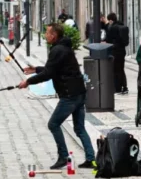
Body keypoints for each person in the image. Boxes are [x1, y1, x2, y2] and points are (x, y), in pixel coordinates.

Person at [18, 23, 96, 170]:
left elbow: (48, 74)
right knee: (79, 128)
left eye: (47, 33)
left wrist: (28, 82)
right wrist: (36, 69)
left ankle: (64, 157)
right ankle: (91, 159)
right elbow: (55, 68)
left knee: (53, 124)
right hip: (79, 92)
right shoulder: (64, 47)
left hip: (69, 94)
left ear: (54, 35)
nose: (45, 35)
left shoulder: (57, 50)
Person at [107, 13, 129, 95]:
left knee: (115, 70)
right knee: (121, 69)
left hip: (115, 51)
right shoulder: (122, 26)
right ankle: (125, 87)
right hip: (122, 51)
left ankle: (118, 88)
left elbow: (108, 40)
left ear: (110, 20)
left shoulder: (112, 28)